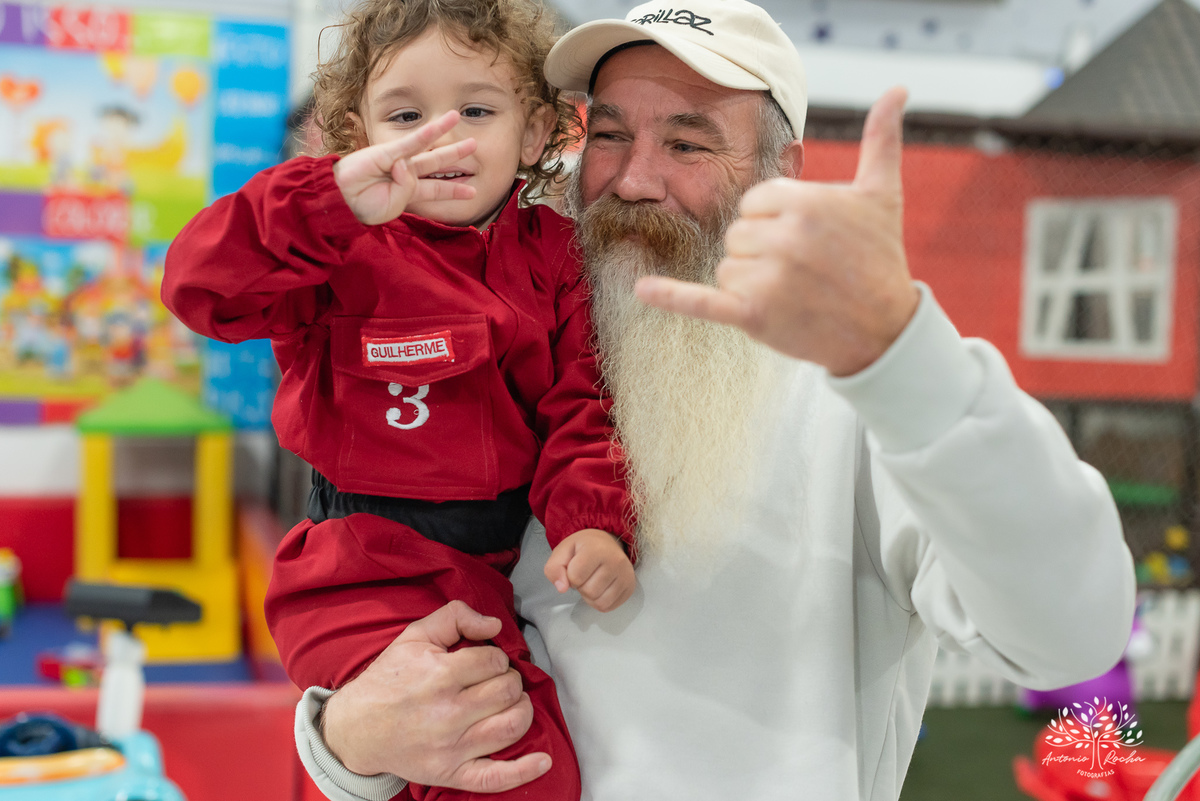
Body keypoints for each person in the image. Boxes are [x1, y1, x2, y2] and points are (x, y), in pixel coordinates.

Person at [295, 1, 1138, 799]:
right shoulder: (496, 348)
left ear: (781, 172)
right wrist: (347, 740)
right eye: (610, 135)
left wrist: (907, 356)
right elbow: (383, 651)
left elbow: (1067, 634)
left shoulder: (855, 392)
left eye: (689, 144)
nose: (633, 180)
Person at [161, 0, 644, 797]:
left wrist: (592, 521)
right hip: (357, 570)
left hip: (483, 571)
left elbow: (581, 405)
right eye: (407, 116)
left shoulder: (556, 257)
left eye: (476, 111)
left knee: (533, 766)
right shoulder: (333, 247)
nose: (442, 139)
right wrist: (322, 200)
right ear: (359, 136)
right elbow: (200, 288)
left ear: (534, 132)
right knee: (507, 764)